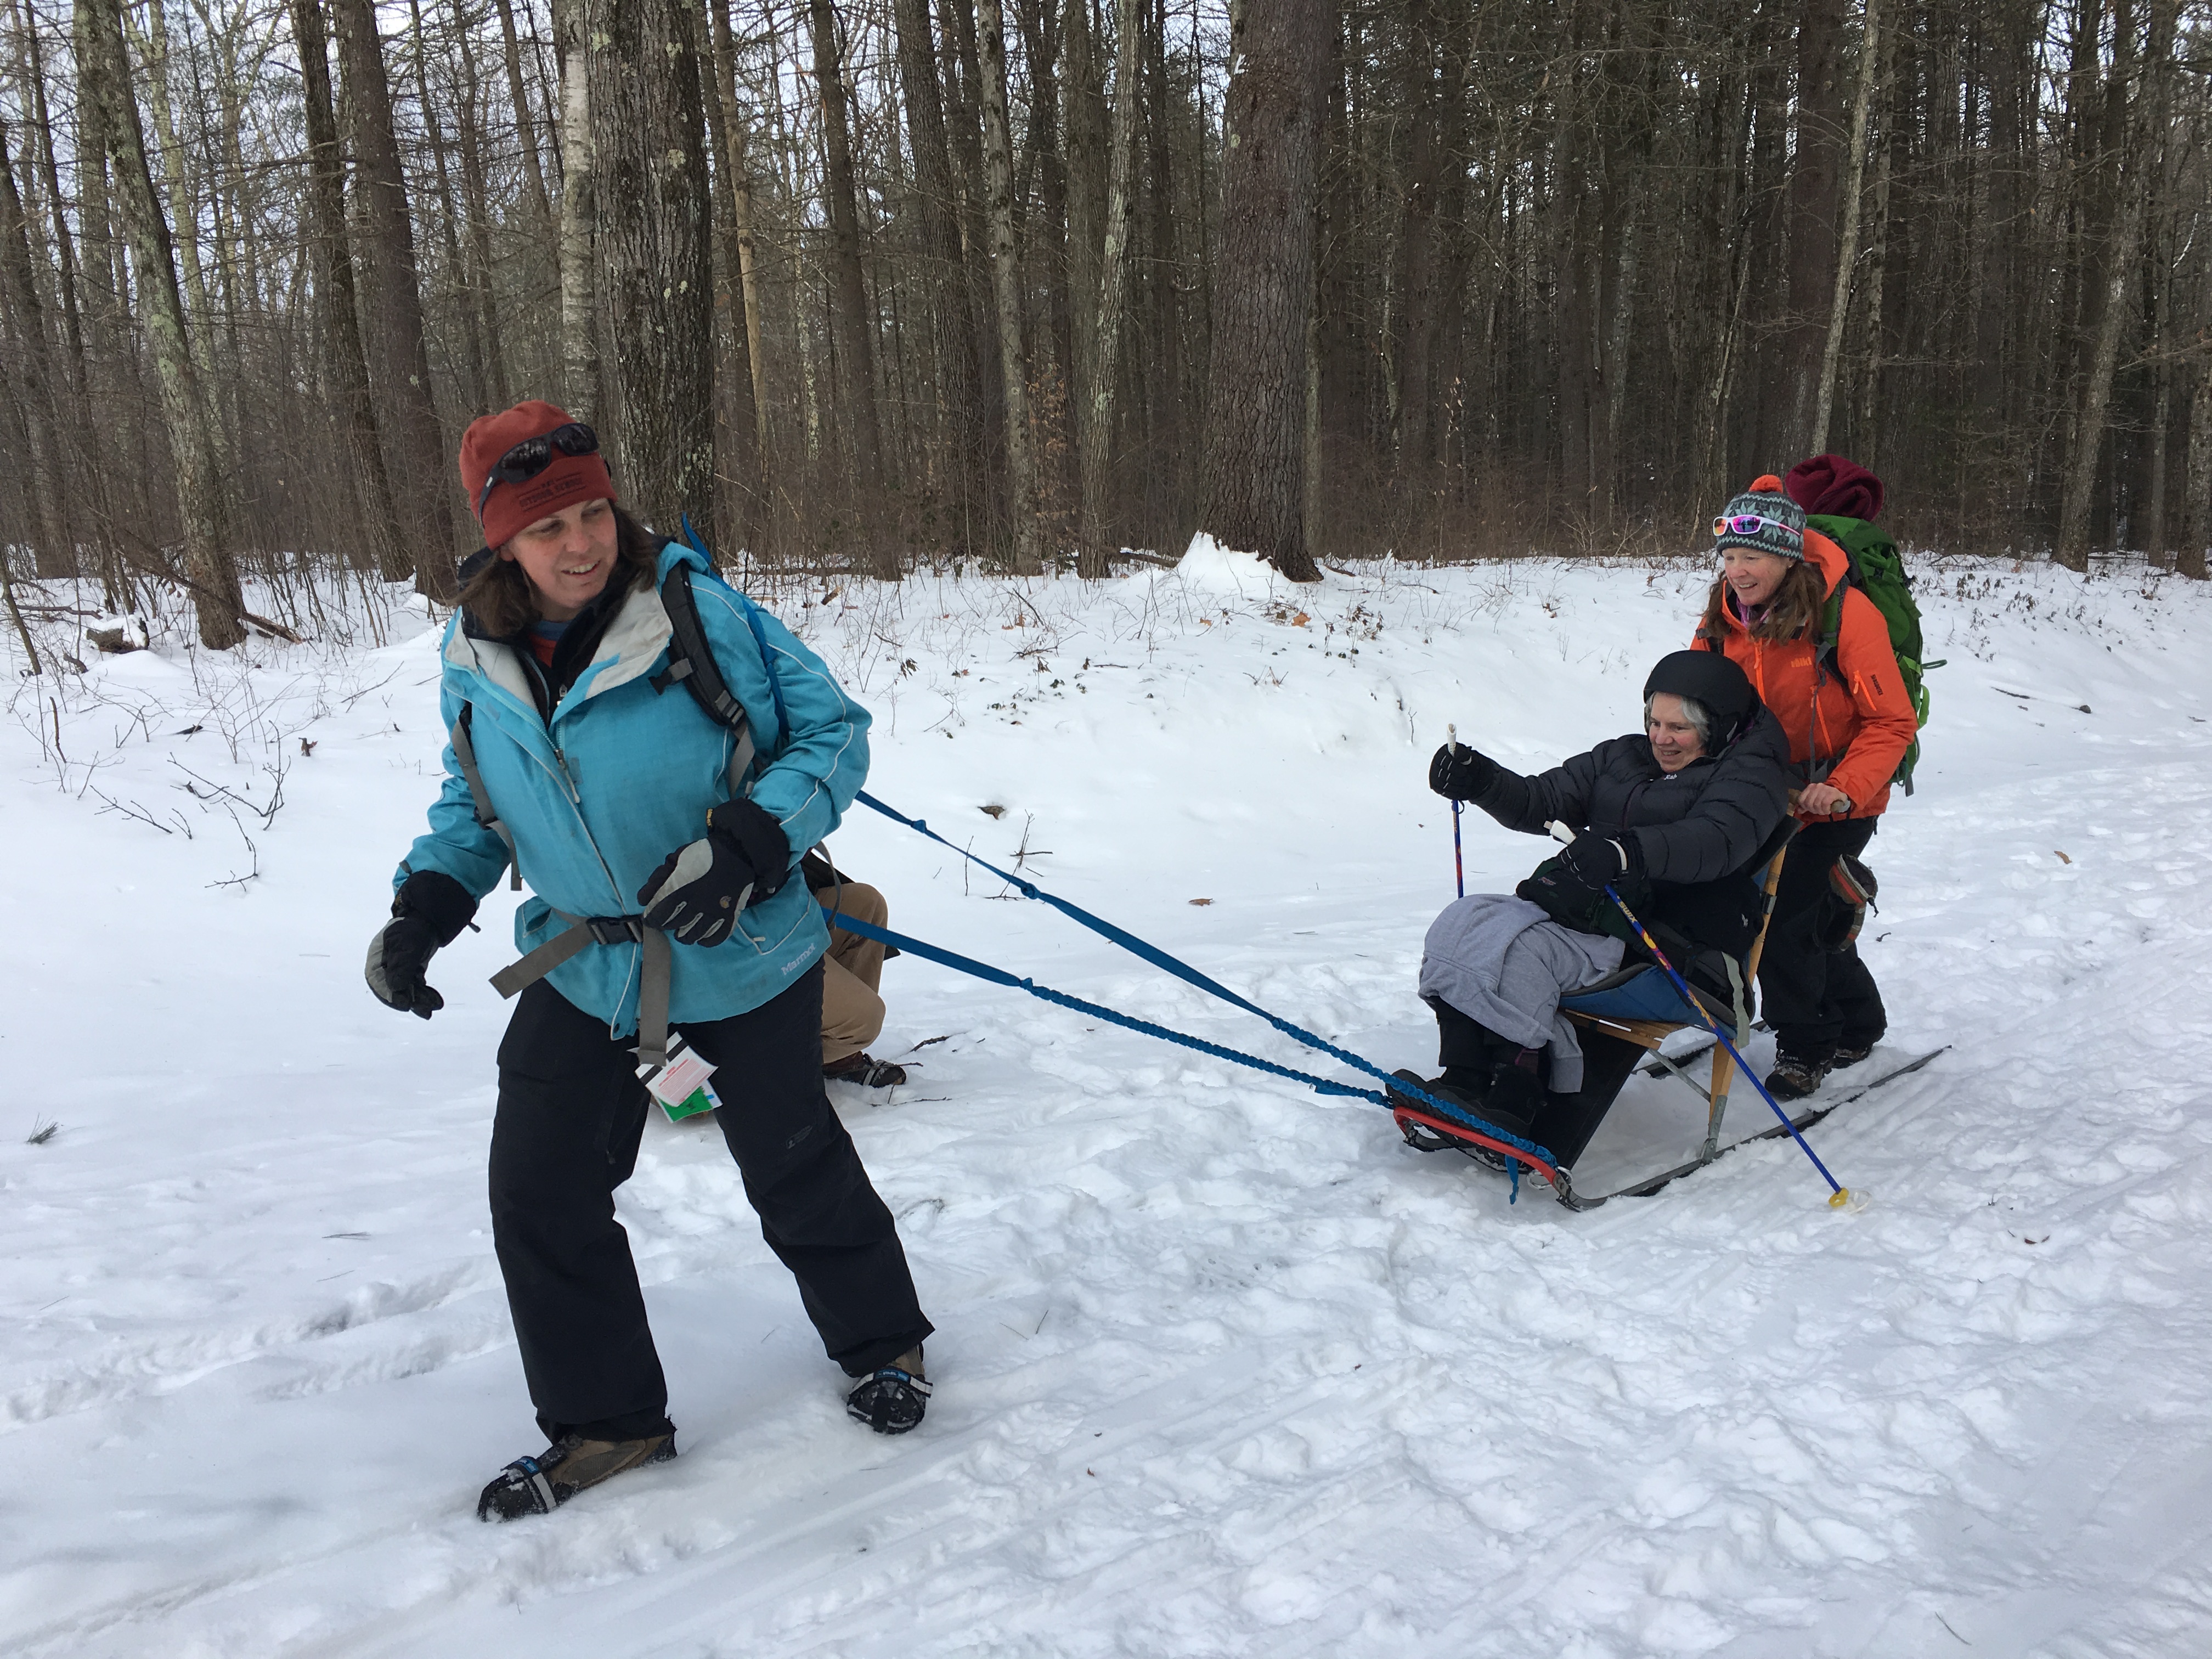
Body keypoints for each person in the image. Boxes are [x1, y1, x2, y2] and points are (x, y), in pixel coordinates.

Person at [364, 400, 935, 1523]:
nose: (580, 545)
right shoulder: (474, 653)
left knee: (793, 1165)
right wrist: (425, 906)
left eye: (590, 513)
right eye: (546, 529)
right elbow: (476, 804)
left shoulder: (692, 608)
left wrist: (750, 842)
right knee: (540, 1194)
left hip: (739, 952)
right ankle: (607, 1421)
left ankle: (886, 1346)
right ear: (500, 543)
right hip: (583, 969)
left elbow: (834, 735)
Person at [1411, 650, 1791, 1171]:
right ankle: (1465, 1077)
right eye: (1655, 722)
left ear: (1720, 730)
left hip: (1673, 946)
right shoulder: (1624, 758)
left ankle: (1515, 1096)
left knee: (1525, 952)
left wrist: (1625, 852)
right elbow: (1542, 798)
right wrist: (1481, 780)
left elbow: (1715, 841)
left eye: (1679, 728)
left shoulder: (1751, 779)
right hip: (1595, 918)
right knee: (1462, 924)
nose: (1661, 738)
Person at [1693, 471, 1918, 1099]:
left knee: (1786, 917)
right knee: (1800, 916)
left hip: (1841, 797)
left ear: (1787, 557)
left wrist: (1842, 787)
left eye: (1753, 556)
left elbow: (1891, 721)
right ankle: (1860, 1020)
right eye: (1729, 556)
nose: (1737, 570)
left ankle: (1806, 1043)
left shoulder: (1846, 615)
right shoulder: (1724, 616)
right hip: (1765, 792)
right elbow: (1702, 698)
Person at [805, 847, 909, 1086]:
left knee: (866, 904)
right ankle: (753, 1070)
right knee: (865, 1019)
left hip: (777, 907)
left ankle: (836, 1057)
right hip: (737, 937)